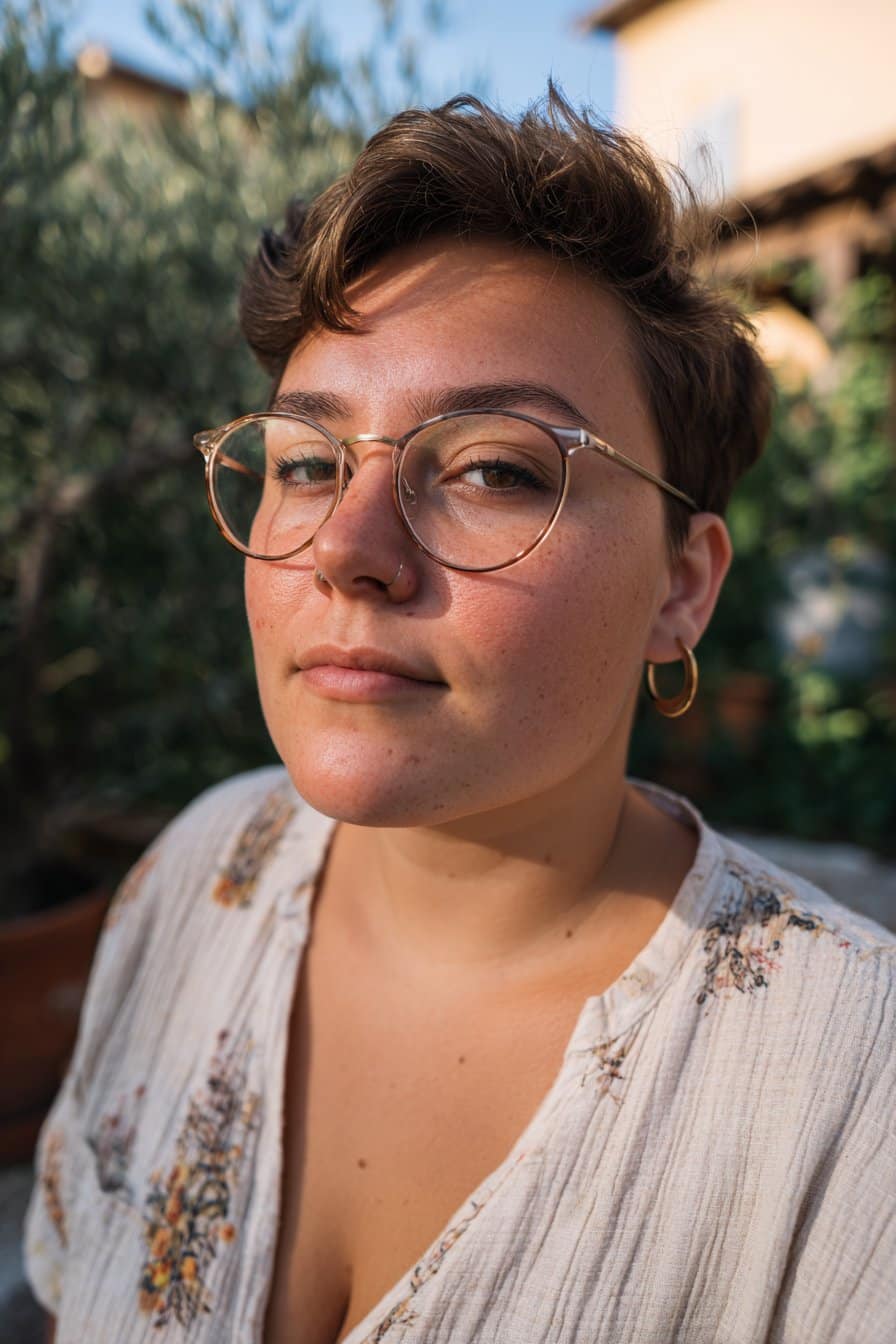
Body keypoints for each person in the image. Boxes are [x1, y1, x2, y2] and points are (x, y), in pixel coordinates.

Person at [25, 88, 895, 1344]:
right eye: (307, 463)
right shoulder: (201, 873)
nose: (346, 550)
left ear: (680, 586)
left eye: (493, 469)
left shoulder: (852, 1088)